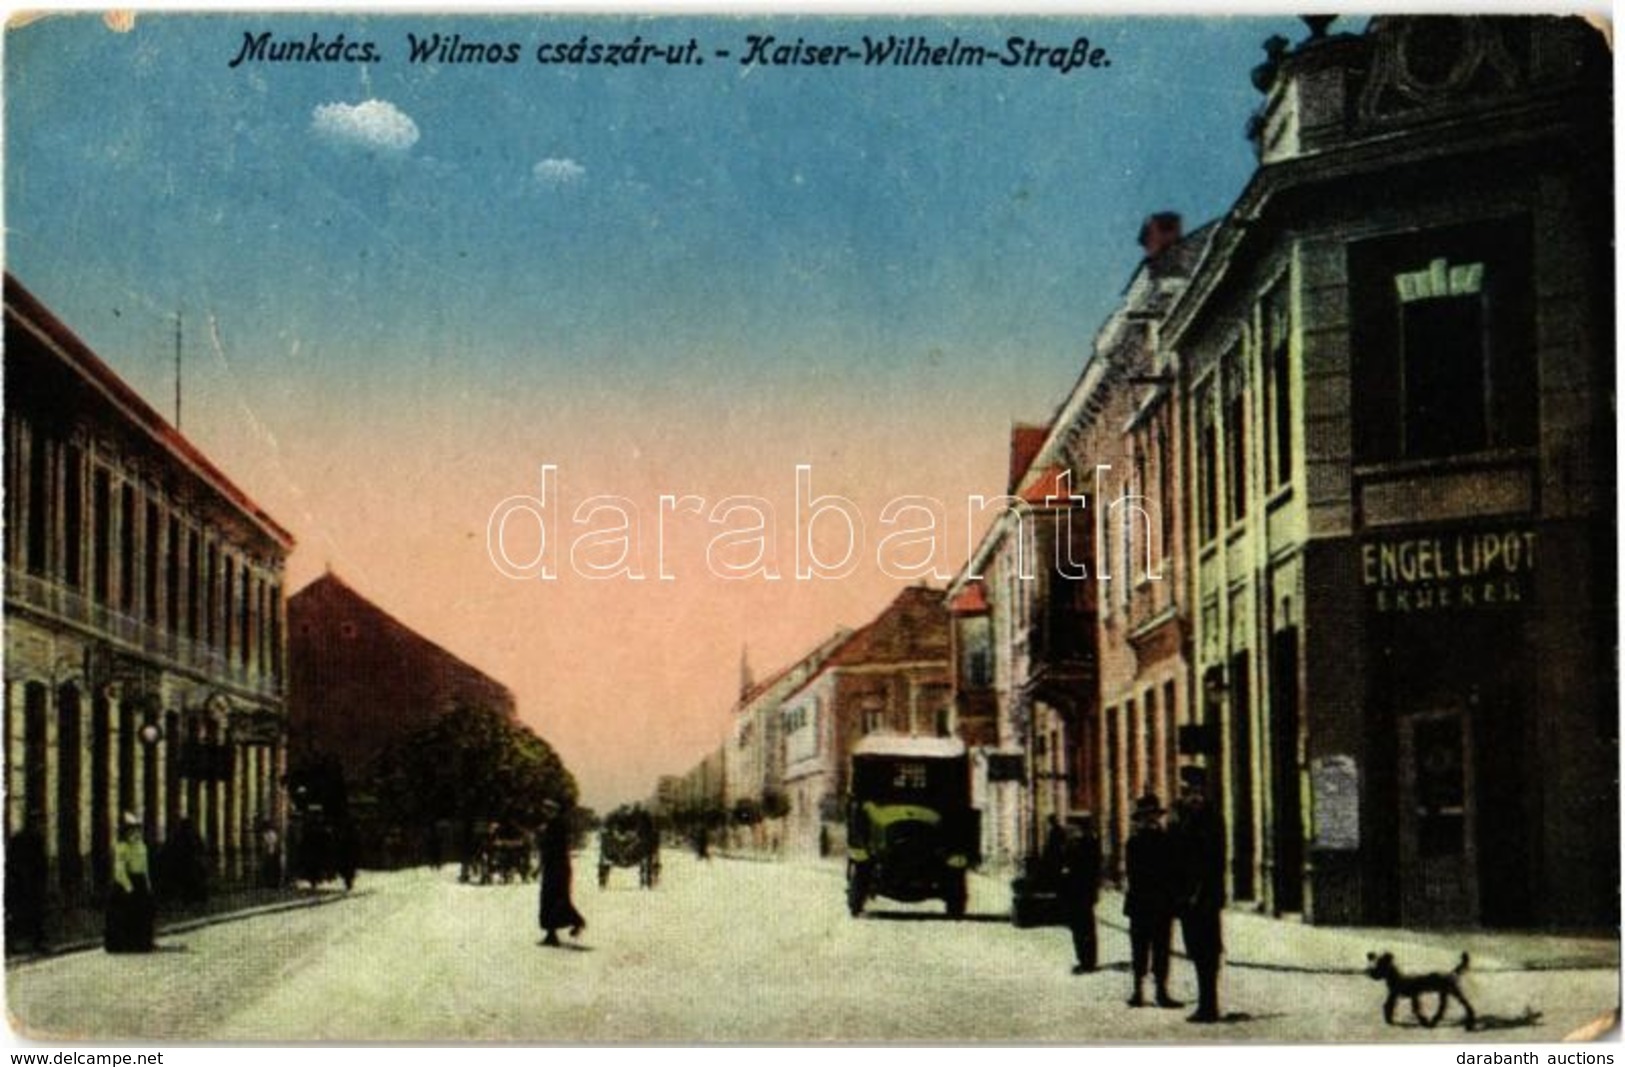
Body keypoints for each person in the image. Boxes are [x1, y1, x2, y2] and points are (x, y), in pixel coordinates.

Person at [1172, 767, 1226, 1023]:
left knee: (1207, 951)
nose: (1192, 796)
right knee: (1195, 949)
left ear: (1203, 792)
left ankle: (1209, 1006)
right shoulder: (1183, 817)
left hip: (1205, 897)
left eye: (1195, 791)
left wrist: (1198, 892)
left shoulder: (1210, 818)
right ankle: (1206, 1004)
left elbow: (1212, 862)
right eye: (1187, 791)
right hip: (1187, 899)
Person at [1123, 792, 1182, 1008]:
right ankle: (1138, 990)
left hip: (1161, 904)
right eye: (1145, 816)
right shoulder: (1134, 843)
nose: (1150, 820)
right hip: (1141, 903)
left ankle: (1161, 991)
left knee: (1161, 949)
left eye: (1153, 816)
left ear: (1158, 817)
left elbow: (1174, 870)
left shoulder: (1167, 840)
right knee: (1139, 949)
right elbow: (1133, 873)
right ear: (1139, 819)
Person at [537, 798, 586, 947]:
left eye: (548, 810)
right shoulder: (552, 825)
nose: (545, 813)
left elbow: (553, 847)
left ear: (553, 811)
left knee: (557, 900)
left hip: (558, 867)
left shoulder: (557, 826)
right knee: (550, 900)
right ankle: (552, 934)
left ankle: (576, 922)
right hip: (553, 866)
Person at [105, 812, 155, 953]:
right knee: (124, 914)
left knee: (143, 914)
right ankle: (124, 943)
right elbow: (120, 870)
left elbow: (145, 869)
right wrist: (129, 888)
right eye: (132, 830)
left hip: (140, 882)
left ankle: (141, 943)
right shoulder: (122, 847)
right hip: (126, 884)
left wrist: (148, 885)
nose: (135, 833)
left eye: (137, 830)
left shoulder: (141, 847)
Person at [1060, 814, 1101, 974]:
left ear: (1079, 827)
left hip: (1081, 892)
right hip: (1077, 892)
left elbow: (1090, 870)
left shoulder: (1087, 843)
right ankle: (1085, 960)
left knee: (1083, 927)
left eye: (1072, 826)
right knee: (1081, 927)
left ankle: (1087, 962)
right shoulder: (1077, 843)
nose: (1069, 829)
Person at [5, 823, 48, 954]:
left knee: (25, 915)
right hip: (24, 886)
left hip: (25, 885)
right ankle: (31, 943)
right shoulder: (34, 842)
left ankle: (32, 943)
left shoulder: (20, 841)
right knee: (27, 914)